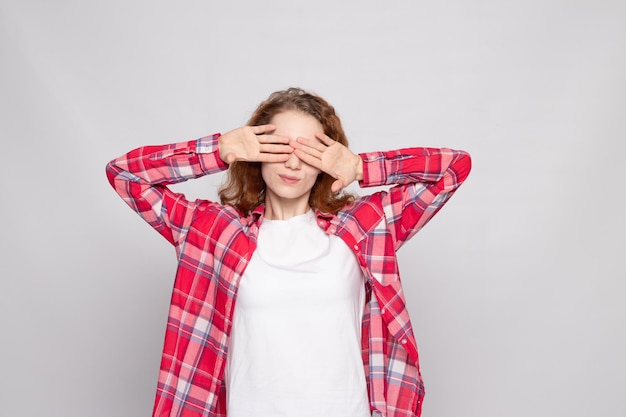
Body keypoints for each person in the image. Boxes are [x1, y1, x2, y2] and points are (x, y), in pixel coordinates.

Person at [106, 87, 472, 417]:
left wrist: (362, 167)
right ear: (256, 153)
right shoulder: (216, 232)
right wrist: (217, 151)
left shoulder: (363, 226)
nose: (293, 164)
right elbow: (124, 175)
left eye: (310, 152)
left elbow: (454, 168)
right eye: (279, 148)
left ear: (328, 159)